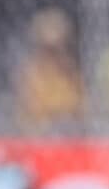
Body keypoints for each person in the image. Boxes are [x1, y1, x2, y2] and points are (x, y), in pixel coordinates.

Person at [13, 7, 85, 135]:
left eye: (58, 48)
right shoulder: (32, 72)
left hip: (69, 130)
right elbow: (31, 112)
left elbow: (79, 108)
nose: (55, 54)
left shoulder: (70, 71)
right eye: (49, 49)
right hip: (42, 132)